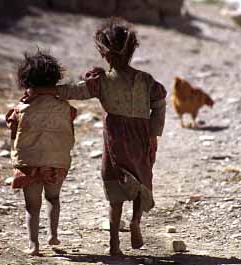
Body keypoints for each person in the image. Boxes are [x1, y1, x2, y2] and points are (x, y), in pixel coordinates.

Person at [57, 17, 167, 255]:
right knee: (141, 181)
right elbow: (159, 104)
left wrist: (48, 90)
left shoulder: (101, 81)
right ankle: (136, 220)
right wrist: (154, 134)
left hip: (116, 141)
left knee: (115, 189)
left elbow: (76, 91)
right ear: (132, 50)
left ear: (105, 54)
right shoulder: (146, 81)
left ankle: (114, 246)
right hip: (142, 136)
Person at [6, 51, 77, 256]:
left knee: (32, 206)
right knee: (53, 198)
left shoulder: (21, 109)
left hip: (28, 162)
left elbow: (12, 130)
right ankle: (53, 235)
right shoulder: (65, 108)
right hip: (57, 161)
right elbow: (70, 131)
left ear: (27, 82)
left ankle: (33, 245)